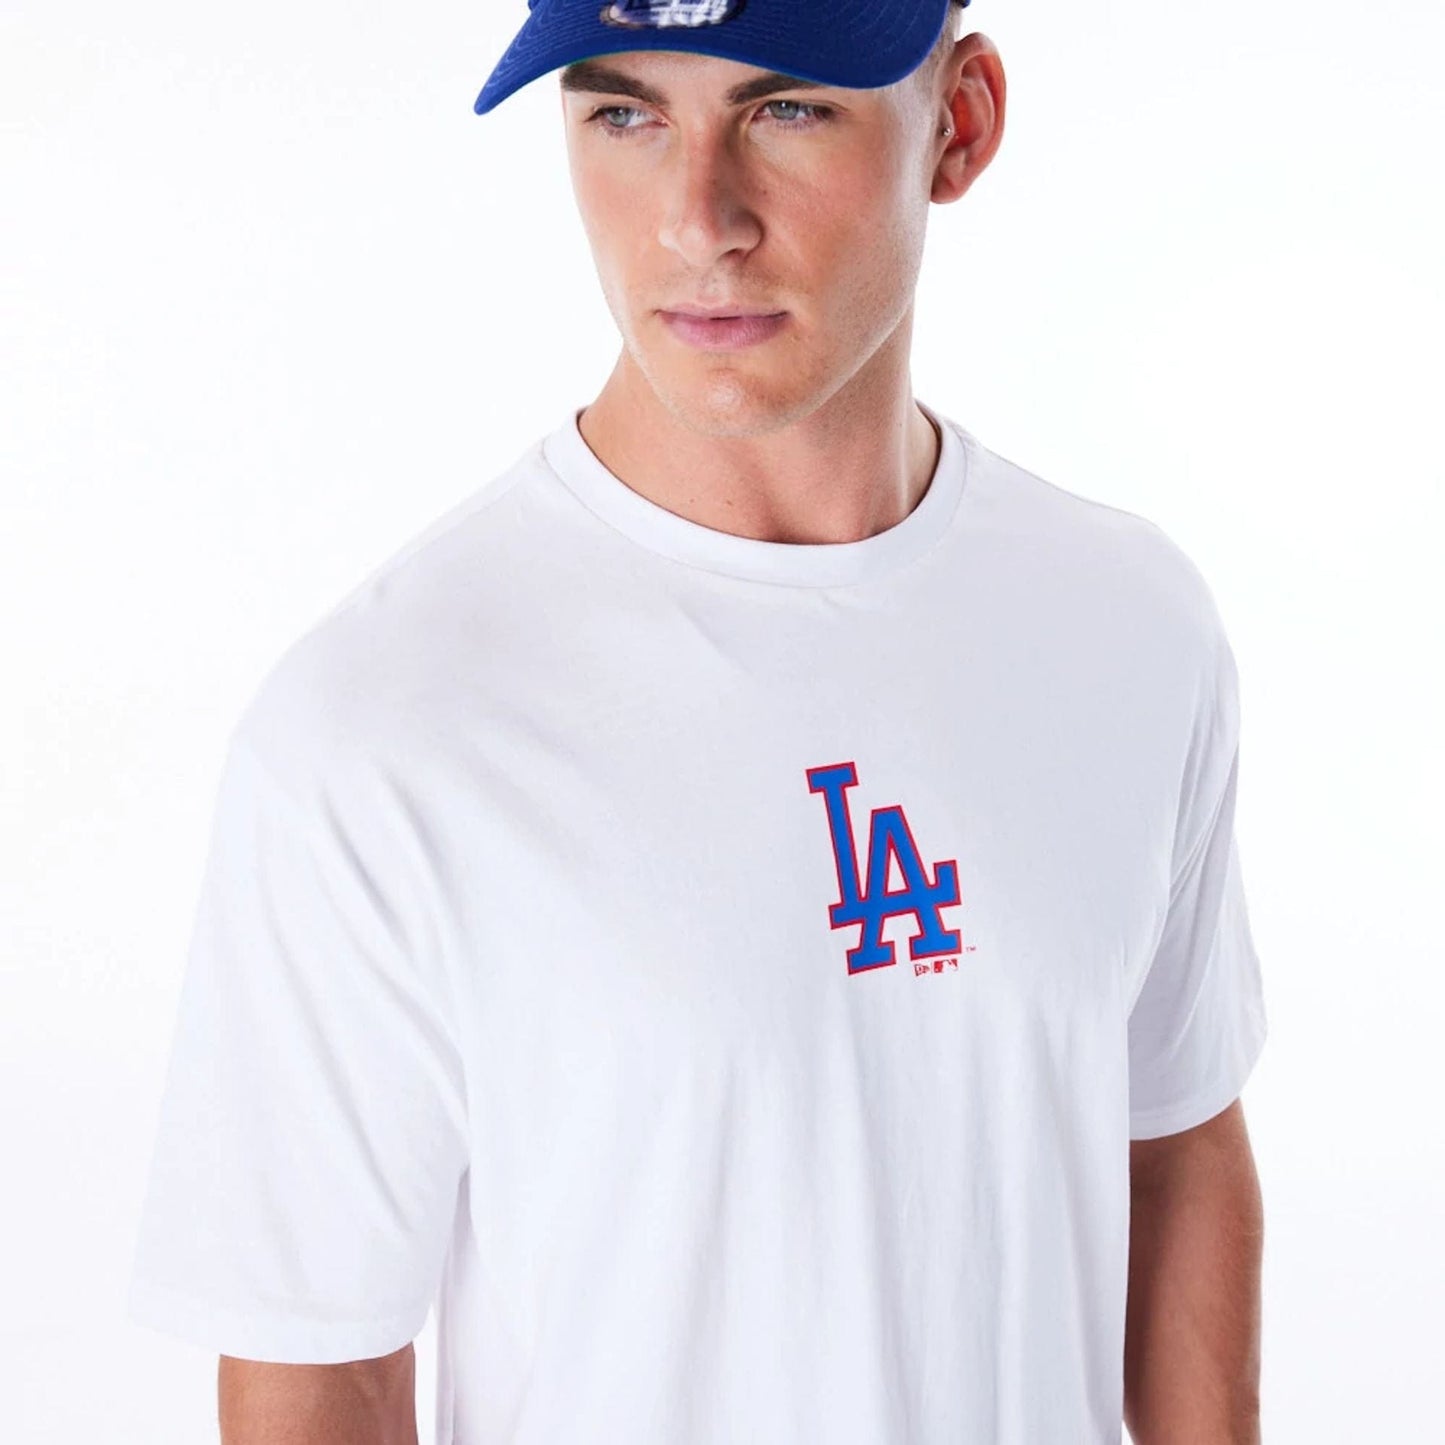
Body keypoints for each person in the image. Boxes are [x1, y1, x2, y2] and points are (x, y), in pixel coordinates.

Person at [125, 2, 1269, 1442]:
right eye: (625, 114)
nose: (696, 219)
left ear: (960, 124)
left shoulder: (1124, 622)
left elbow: (1171, 1153)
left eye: (787, 108)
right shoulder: (378, 732)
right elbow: (322, 1367)